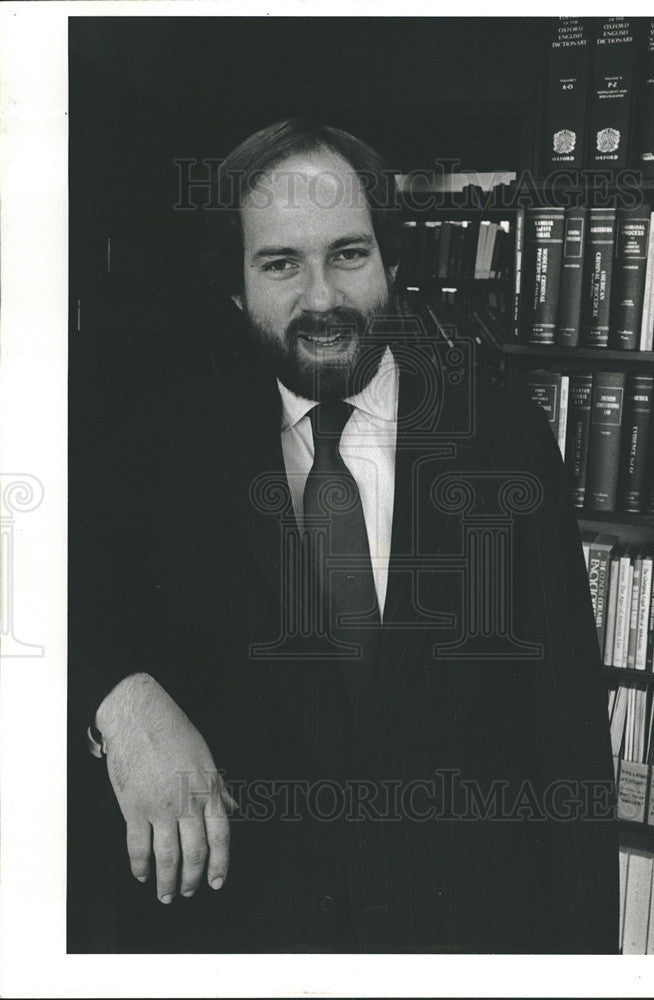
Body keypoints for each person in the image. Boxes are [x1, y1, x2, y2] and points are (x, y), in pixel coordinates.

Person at [71, 119, 619, 953]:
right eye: (280, 263)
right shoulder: (164, 443)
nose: (321, 296)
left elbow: (567, 731)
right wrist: (121, 699)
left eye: (348, 253)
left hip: (453, 937)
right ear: (235, 289)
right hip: (239, 936)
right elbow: (43, 589)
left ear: (390, 263)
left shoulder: (502, 435)